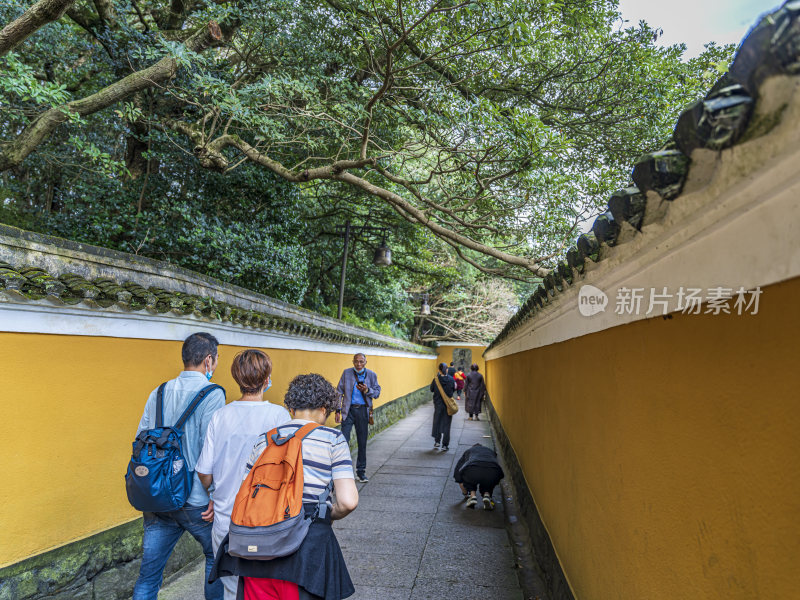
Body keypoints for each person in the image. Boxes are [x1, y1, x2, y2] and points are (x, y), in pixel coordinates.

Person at [212, 373, 359, 600]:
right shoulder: (333, 440)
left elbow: (245, 495)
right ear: (324, 408)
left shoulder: (264, 440)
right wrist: (327, 515)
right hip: (306, 551)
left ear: (291, 408)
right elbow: (348, 501)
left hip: (256, 552)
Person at [132, 332, 226, 600]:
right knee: (215, 559)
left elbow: (141, 438)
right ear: (208, 360)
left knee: (149, 576)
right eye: (216, 359)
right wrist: (215, 495)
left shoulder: (159, 391)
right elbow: (212, 450)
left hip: (158, 497)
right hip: (195, 498)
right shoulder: (213, 394)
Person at [196, 349, 291, 600]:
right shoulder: (279, 416)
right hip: (266, 521)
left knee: (231, 587)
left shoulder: (221, 416)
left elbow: (204, 471)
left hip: (226, 517)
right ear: (266, 378)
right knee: (264, 586)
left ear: (237, 378)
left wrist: (216, 494)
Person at [336, 353, 381, 483]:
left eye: (361, 362)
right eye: (356, 362)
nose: (359, 364)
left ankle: (361, 472)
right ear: (353, 362)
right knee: (343, 441)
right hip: (348, 411)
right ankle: (343, 471)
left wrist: (367, 390)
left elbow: (377, 392)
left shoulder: (371, 375)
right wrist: (337, 410)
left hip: (362, 411)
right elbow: (339, 392)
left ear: (366, 362)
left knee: (362, 442)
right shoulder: (346, 373)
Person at [454, 443, 505, 510]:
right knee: (488, 479)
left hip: (474, 469)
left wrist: (465, 493)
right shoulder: (490, 451)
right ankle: (487, 495)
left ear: (473, 447)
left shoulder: (469, 451)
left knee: (469, 476)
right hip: (494, 471)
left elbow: (458, 469)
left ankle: (472, 496)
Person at [431, 362, 456, 451]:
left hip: (438, 405)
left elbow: (431, 389)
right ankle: (445, 445)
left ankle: (437, 441)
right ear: (446, 369)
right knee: (447, 424)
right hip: (447, 406)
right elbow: (453, 390)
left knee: (437, 422)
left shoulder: (436, 379)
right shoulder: (451, 379)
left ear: (439, 370)